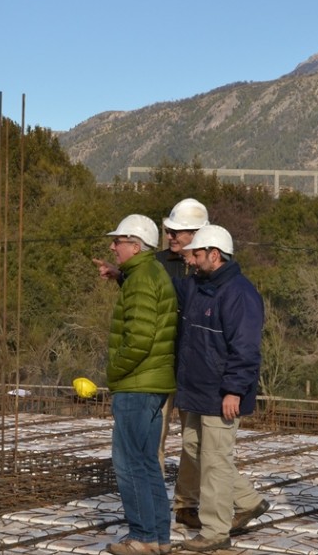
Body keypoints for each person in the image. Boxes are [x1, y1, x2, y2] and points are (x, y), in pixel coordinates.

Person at [174, 225, 269, 553]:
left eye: (197, 255)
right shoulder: (199, 287)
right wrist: (123, 276)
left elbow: (245, 348)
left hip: (220, 395)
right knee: (195, 449)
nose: (192, 260)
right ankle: (247, 500)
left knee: (215, 460)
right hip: (198, 391)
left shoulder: (239, 293)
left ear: (215, 255)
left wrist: (233, 390)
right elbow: (166, 287)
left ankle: (215, 531)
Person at [98, 214, 178, 555]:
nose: (113, 247)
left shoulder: (143, 278)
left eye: (118, 242)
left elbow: (141, 337)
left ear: (135, 245)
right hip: (152, 383)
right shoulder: (146, 274)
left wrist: (115, 372)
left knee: (129, 463)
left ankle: (143, 537)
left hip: (136, 384)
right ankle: (158, 537)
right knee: (146, 462)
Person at [157, 198, 208, 531]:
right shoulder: (158, 263)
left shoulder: (211, 270)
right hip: (161, 363)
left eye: (177, 231)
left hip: (194, 367)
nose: (171, 236)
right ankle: (154, 502)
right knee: (153, 437)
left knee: (194, 440)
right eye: (169, 230)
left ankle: (187, 504)